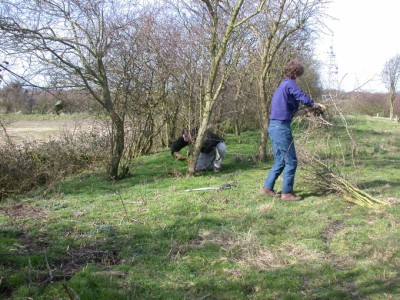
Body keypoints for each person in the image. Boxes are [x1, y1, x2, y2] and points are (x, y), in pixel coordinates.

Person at [261, 59, 326, 201]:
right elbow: (303, 97)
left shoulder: (282, 87)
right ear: (297, 73)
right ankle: (287, 193)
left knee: (280, 160)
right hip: (281, 128)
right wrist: (315, 105)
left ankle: (267, 188)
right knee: (291, 161)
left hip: (274, 126)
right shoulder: (290, 84)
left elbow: (287, 113)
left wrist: (307, 112)